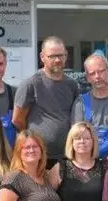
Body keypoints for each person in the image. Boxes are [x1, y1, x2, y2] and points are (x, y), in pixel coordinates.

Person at [12, 36, 80, 169]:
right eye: (52, 56)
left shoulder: (72, 85)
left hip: (66, 155)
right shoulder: (31, 84)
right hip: (39, 157)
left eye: (61, 55)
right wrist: (33, 141)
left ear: (66, 56)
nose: (57, 60)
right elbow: (17, 120)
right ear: (42, 57)